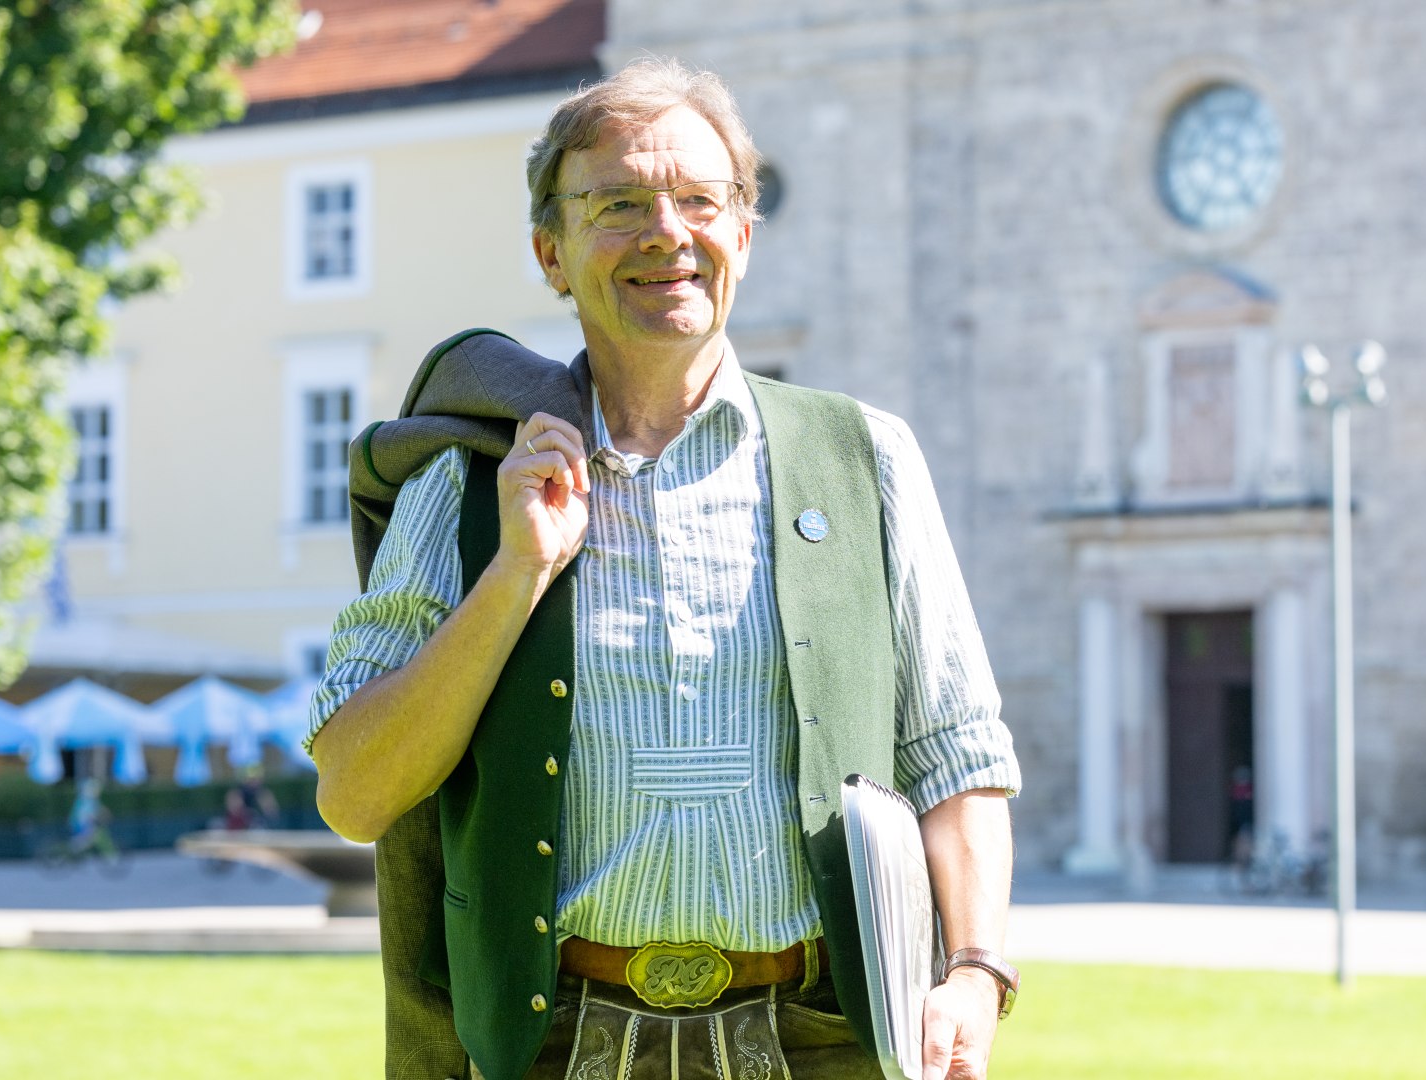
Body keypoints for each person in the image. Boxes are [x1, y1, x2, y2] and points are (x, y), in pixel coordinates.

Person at [307, 57, 1022, 1080]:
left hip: (828, 1042)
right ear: (551, 254)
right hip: (559, 1046)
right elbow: (353, 794)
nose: (665, 232)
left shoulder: (867, 458)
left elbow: (957, 757)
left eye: (698, 199)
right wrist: (514, 577)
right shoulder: (468, 482)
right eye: (618, 204)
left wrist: (975, 970)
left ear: (742, 231)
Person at [222, 765, 280, 830]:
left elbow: (272, 812)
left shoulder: (263, 793)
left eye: (257, 779)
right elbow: (235, 811)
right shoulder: (236, 793)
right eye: (252, 779)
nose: (255, 782)